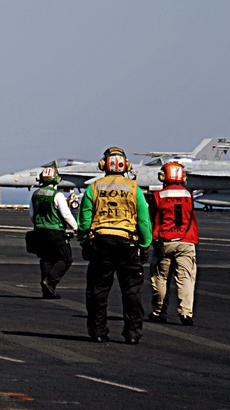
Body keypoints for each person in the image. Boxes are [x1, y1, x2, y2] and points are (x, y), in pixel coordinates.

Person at [77, 147, 152, 344]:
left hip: (101, 244)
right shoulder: (134, 188)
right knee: (132, 291)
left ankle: (98, 331)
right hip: (127, 244)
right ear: (126, 165)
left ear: (103, 165)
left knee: (98, 291)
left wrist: (85, 242)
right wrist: (145, 245)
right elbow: (143, 221)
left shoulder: (93, 188)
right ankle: (133, 333)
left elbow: (84, 221)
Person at [147, 162, 199, 326]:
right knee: (186, 278)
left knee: (160, 278)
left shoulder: (158, 196)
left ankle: (159, 311)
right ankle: (186, 313)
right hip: (186, 242)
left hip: (164, 242)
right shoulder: (189, 195)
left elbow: (150, 218)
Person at [29, 166, 78, 299]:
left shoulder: (36, 194)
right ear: (56, 179)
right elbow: (66, 214)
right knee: (66, 259)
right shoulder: (57, 195)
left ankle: (47, 291)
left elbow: (32, 215)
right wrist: (76, 228)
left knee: (46, 259)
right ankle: (50, 281)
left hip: (39, 231)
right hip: (55, 232)